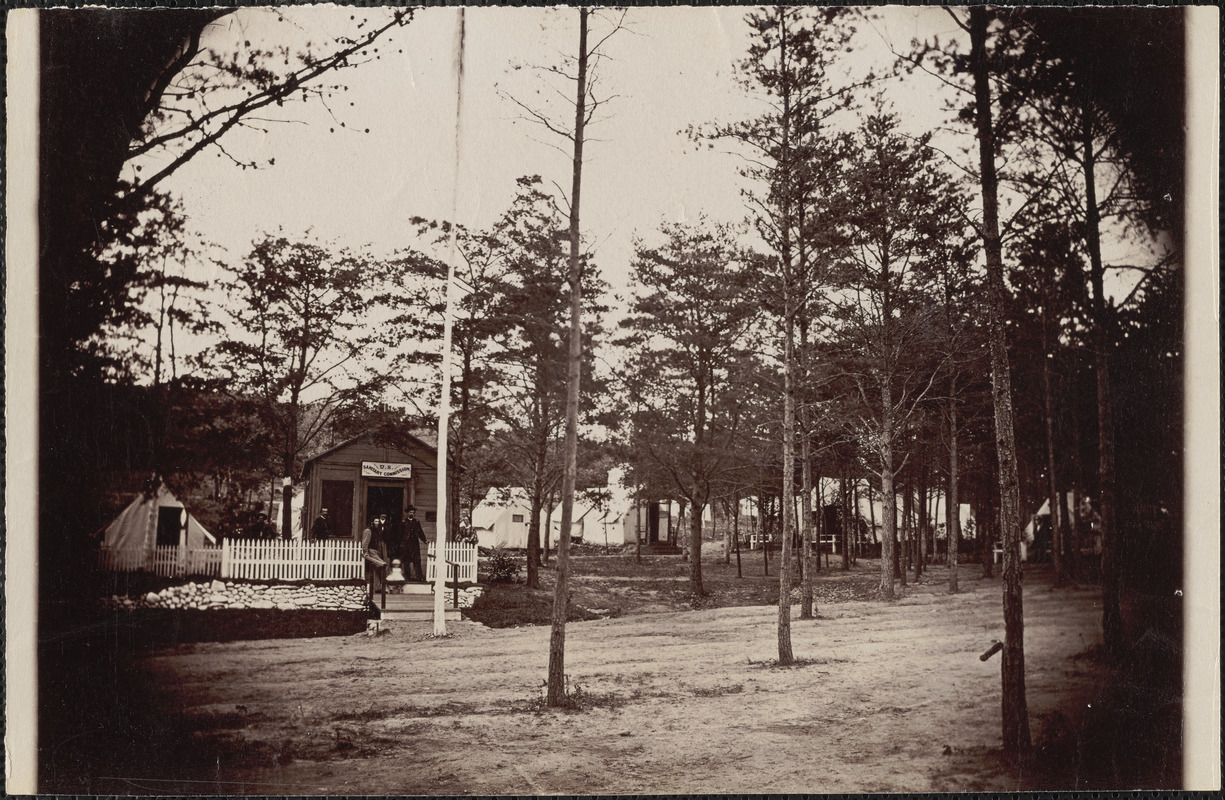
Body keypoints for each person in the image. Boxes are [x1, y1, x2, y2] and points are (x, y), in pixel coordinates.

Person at [361, 516, 388, 593]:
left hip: (377, 552)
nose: (377, 523)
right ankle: (378, 587)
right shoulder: (368, 530)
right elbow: (365, 542)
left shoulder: (376, 531)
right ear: (372, 522)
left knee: (376, 569)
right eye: (375, 521)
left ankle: (377, 587)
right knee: (383, 565)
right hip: (371, 552)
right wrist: (366, 552)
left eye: (378, 521)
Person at [403, 505, 428, 581]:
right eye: (410, 512)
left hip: (414, 544)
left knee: (417, 561)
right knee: (406, 561)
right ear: (407, 513)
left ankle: (419, 577)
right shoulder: (404, 522)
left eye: (413, 512)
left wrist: (424, 540)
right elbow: (400, 534)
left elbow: (420, 532)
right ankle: (407, 577)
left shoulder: (416, 522)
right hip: (406, 545)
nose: (412, 513)